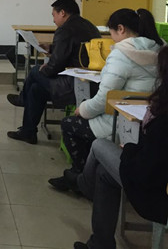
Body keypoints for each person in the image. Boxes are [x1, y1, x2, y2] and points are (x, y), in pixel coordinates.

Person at [65, 45, 168, 249]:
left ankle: (83, 183)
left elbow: (145, 169)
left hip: (154, 192)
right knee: (104, 173)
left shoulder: (163, 118)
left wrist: (128, 148)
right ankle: (99, 242)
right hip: (155, 178)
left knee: (99, 145)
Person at [48, 8, 163, 189]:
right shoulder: (160, 50)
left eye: (112, 33)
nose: (112, 38)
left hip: (120, 122)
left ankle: (81, 177)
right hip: (153, 123)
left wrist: (83, 109)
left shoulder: (122, 53)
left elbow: (104, 99)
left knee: (69, 124)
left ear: (121, 29)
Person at [7, 0, 101, 144]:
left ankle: (22, 100)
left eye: (54, 15)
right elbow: (73, 50)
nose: (53, 20)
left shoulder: (65, 30)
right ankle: (28, 132)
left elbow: (55, 66)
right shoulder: (89, 26)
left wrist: (45, 69)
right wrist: (51, 48)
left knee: (35, 71)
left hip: (73, 85)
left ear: (62, 13)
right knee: (36, 89)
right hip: (91, 84)